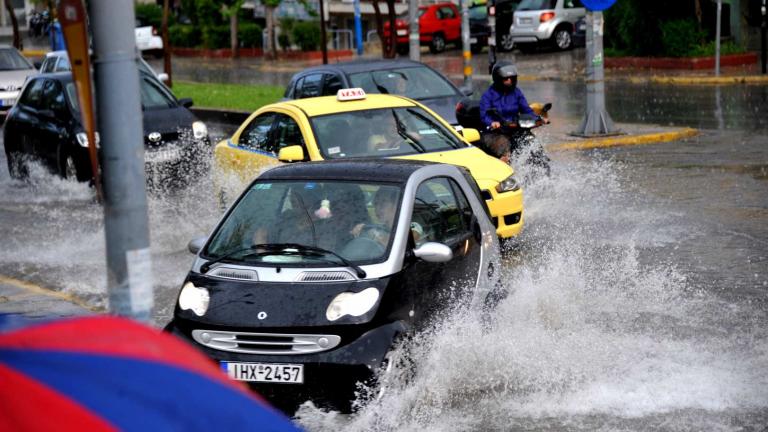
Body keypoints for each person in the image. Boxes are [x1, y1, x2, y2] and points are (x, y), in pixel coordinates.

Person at [479, 61, 534, 131]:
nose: (509, 81)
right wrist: (492, 122)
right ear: (498, 78)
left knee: (530, 139)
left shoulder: (516, 92)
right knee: (503, 142)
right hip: (496, 131)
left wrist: (538, 118)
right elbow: (484, 116)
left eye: (512, 78)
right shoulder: (487, 95)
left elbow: (527, 109)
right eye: (506, 78)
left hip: (515, 128)